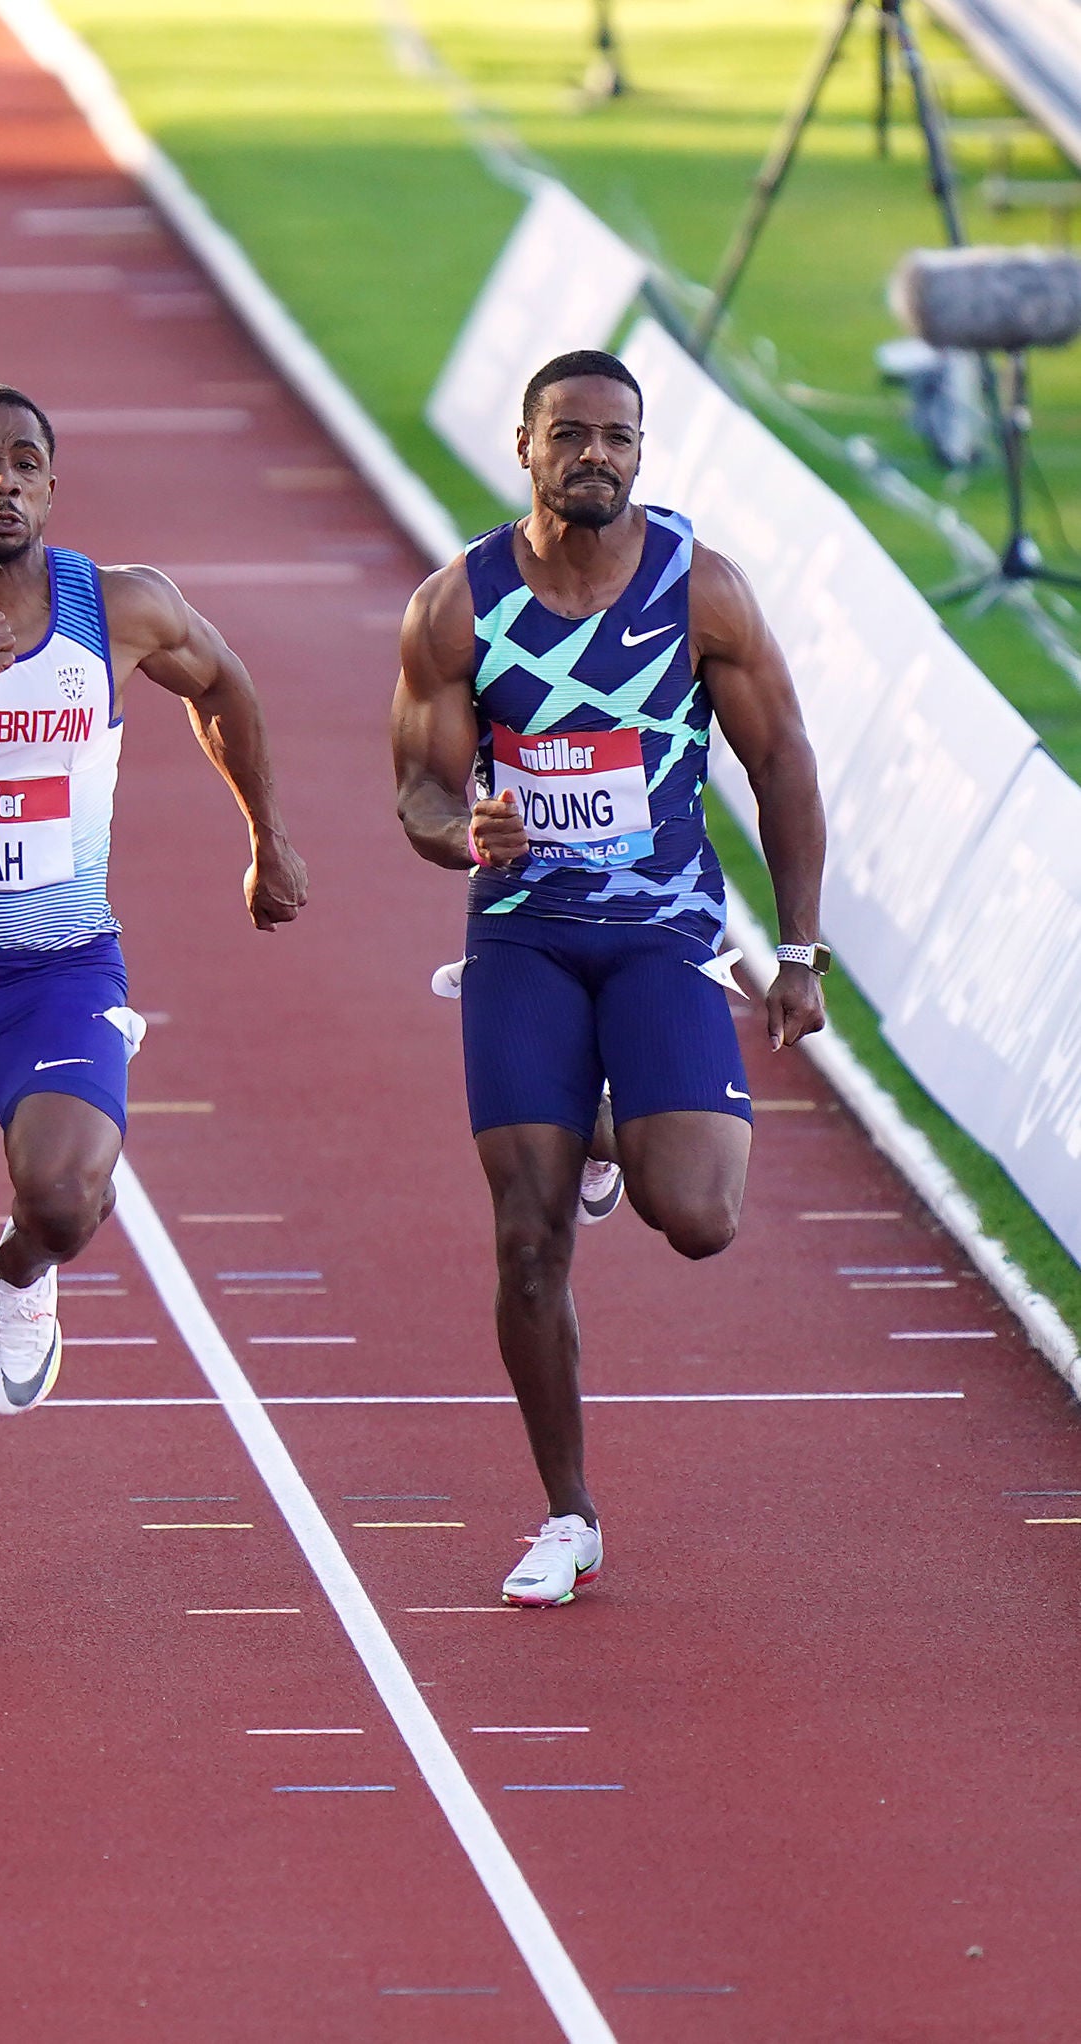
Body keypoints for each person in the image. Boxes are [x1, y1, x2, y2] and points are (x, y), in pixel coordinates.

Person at [0, 384, 306, 1652]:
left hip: (59, 972)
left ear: (50, 487)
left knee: (63, 1200)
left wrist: (265, 839)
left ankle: (26, 1274)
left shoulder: (118, 606)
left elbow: (226, 685)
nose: (0, 482)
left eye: (23, 463)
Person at [391, 347, 826, 1609]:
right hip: (520, 938)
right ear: (522, 448)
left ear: (640, 453)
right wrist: (459, 830)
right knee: (526, 1240)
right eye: (568, 434)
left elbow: (781, 761)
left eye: (616, 438)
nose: (594, 455)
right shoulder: (456, 605)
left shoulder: (700, 593)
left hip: (658, 936)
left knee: (696, 1216)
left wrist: (794, 951)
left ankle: (603, 1121)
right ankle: (565, 1512)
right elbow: (417, 787)